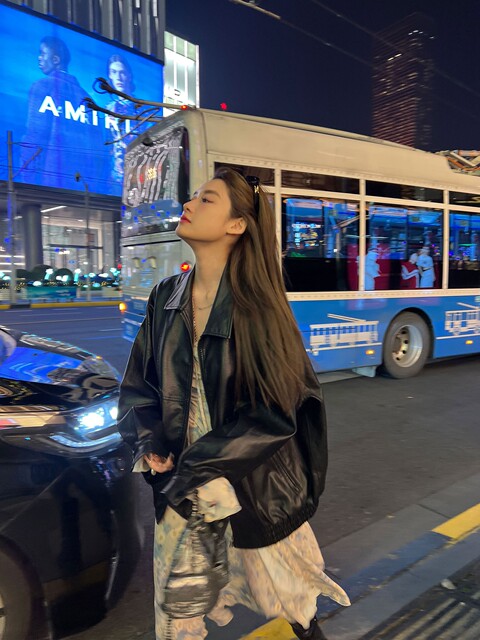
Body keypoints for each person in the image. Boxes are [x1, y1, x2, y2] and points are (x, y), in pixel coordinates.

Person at [117, 168, 350, 640]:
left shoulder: (257, 306)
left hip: (252, 486)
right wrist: (150, 442)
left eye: (206, 199)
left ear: (237, 224)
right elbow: (139, 385)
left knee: (292, 601)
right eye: (194, 196)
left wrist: (197, 465)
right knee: (176, 614)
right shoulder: (165, 297)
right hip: (181, 487)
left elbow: (275, 413)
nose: (189, 204)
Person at [21, 37, 102, 189]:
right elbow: (97, 148)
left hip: (50, 181)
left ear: (56, 59)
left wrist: (25, 178)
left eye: (42, 53)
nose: (39, 58)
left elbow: (35, 134)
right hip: (84, 186)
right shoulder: (88, 99)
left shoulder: (42, 86)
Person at [105, 54, 145, 183]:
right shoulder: (108, 109)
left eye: (122, 72)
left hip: (138, 178)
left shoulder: (143, 109)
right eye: (114, 72)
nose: (118, 77)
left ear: (129, 76)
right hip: (114, 178)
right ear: (110, 75)